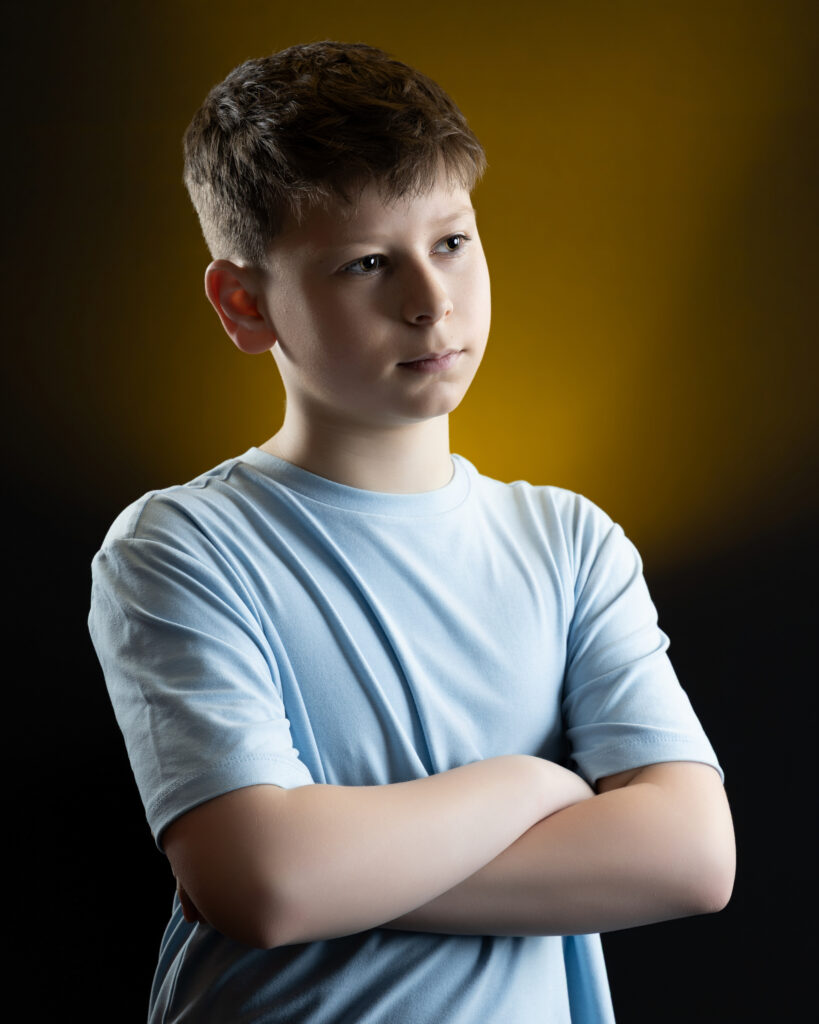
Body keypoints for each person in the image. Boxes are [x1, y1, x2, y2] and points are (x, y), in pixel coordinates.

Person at [88, 41, 735, 1023]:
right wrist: (537, 785)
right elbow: (264, 885)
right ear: (244, 302)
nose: (430, 304)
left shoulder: (570, 544)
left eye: (450, 242)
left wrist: (334, 873)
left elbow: (690, 857)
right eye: (366, 263)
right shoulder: (180, 547)